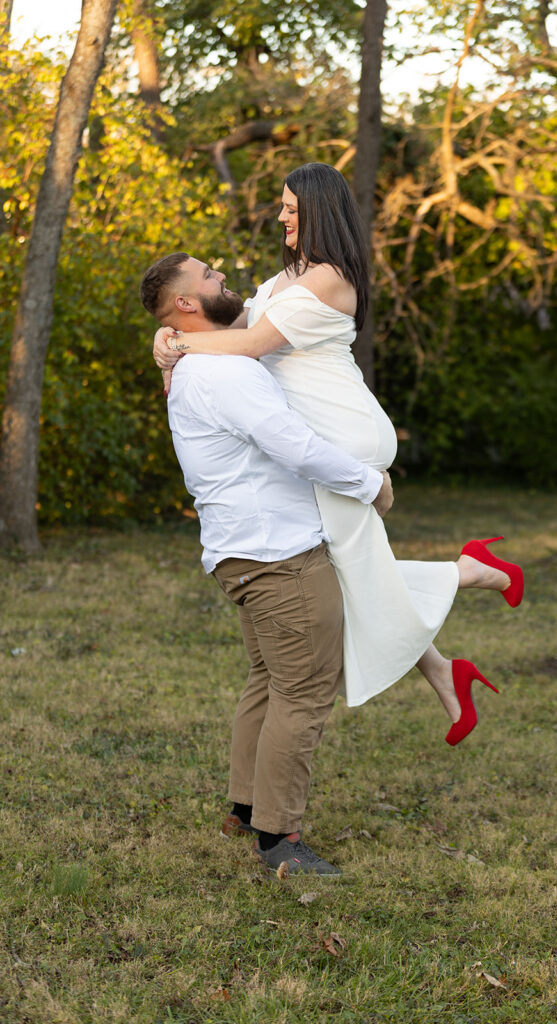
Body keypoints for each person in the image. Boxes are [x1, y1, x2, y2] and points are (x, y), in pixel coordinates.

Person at [153, 163, 524, 745]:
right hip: (328, 430)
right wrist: (169, 336)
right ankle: (448, 665)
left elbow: (249, 344)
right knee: (349, 575)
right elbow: (231, 324)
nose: (281, 217)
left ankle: (471, 575)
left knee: (347, 575)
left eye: (291, 209)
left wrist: (177, 340)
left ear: (320, 212)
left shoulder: (329, 278)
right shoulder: (285, 280)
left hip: (344, 433)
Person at [140, 252, 395, 876]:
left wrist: (168, 340)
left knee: (268, 680)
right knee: (303, 692)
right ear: (186, 304)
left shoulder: (203, 363)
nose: (222, 274)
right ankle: (280, 840)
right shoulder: (222, 374)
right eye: (208, 276)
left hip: (241, 553)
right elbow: (293, 444)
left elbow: (261, 321)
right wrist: (370, 484)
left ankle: (245, 807)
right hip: (280, 557)